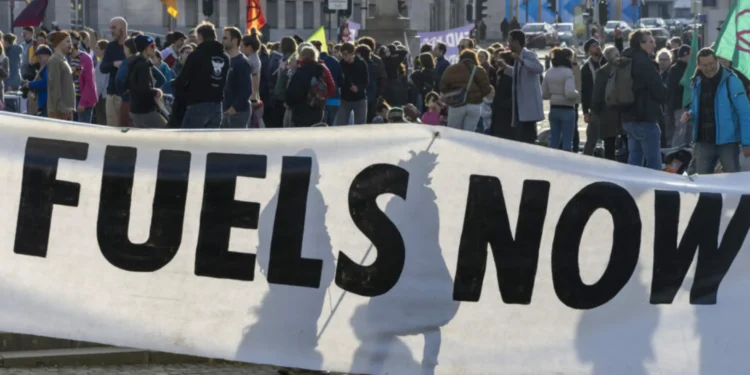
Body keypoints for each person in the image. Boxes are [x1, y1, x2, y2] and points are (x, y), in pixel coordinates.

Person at [682, 48, 750, 174]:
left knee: (732, 180)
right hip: (703, 141)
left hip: (728, 143)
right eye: (705, 65)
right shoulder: (697, 82)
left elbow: (745, 113)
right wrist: (690, 114)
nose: (709, 68)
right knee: (700, 181)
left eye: (712, 63)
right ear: (698, 65)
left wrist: (747, 142)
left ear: (717, 60)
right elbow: (697, 108)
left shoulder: (732, 81)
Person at [621, 29, 666, 170]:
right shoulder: (644, 62)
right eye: (651, 42)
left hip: (627, 117)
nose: (654, 45)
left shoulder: (625, 59)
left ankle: (632, 189)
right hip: (645, 117)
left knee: (634, 161)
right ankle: (657, 190)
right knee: (654, 164)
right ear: (641, 44)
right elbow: (659, 91)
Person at [173, 22, 230, 129]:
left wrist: (173, 84)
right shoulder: (225, 57)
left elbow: (183, 79)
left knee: (188, 140)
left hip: (198, 104)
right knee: (210, 142)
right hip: (217, 105)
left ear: (200, 36)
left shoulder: (196, 55)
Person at [505, 29, 545, 143]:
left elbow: (539, 68)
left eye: (510, 41)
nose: (508, 44)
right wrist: (505, 68)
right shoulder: (518, 56)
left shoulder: (528, 54)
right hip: (521, 103)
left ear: (516, 42)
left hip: (529, 103)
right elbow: (519, 74)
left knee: (528, 135)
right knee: (522, 134)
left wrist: (522, 61)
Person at [440, 49, 492, 131]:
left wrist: (452, 93)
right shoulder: (480, 70)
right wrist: (478, 95)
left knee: (453, 133)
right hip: (474, 105)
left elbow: (443, 87)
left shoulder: (451, 69)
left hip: (456, 104)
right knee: (469, 135)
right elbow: (486, 90)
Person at [285, 46, 335, 127]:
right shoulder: (321, 69)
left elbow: (292, 93)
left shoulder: (300, 72)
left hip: (301, 111)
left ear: (301, 57)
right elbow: (331, 87)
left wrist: (289, 103)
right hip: (318, 109)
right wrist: (321, 98)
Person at [542, 47, 580, 151]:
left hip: (553, 108)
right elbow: (570, 93)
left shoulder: (549, 72)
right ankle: (566, 164)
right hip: (567, 108)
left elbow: (544, 94)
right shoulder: (568, 72)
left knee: (554, 140)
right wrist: (577, 94)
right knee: (567, 142)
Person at [590, 46, 623, 160]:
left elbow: (597, 95)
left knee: (609, 146)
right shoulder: (626, 69)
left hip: (607, 111)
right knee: (629, 144)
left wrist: (596, 111)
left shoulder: (601, 72)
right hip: (625, 110)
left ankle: (611, 171)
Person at [127, 35, 166, 128]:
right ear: (145, 49)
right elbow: (143, 89)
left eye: (155, 45)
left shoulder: (137, 62)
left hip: (136, 109)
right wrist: (156, 92)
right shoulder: (142, 65)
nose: (154, 48)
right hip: (144, 111)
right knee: (167, 131)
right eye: (152, 46)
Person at [100, 17, 128, 126]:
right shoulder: (111, 46)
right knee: (111, 129)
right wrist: (113, 64)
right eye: (110, 27)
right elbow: (103, 68)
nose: (111, 30)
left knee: (126, 129)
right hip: (112, 95)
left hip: (128, 96)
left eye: (114, 27)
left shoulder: (133, 45)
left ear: (123, 27)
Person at [222, 27, 252, 128]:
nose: (222, 41)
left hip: (238, 113)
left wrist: (234, 108)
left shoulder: (242, 62)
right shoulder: (225, 60)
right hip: (225, 111)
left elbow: (247, 89)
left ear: (234, 41)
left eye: (225, 38)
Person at [335, 42, 369, 125]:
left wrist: (358, 88)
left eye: (346, 54)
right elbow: (338, 80)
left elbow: (366, 81)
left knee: (360, 125)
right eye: (342, 54)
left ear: (352, 53)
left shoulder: (361, 63)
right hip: (345, 98)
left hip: (359, 98)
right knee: (340, 124)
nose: (344, 56)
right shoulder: (341, 64)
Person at [46, 31, 76, 121]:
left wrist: (74, 74)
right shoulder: (54, 60)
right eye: (68, 41)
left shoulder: (63, 59)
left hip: (66, 110)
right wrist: (62, 108)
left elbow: (64, 81)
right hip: (59, 111)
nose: (71, 45)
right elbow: (54, 86)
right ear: (59, 43)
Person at [68, 31, 97, 123]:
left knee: (83, 126)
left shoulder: (84, 58)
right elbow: (74, 77)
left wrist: (83, 103)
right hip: (73, 98)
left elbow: (89, 82)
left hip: (83, 98)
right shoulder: (68, 58)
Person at [666, 45, 691, 147]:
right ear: (685, 55)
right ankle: (675, 155)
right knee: (680, 132)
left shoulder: (687, 68)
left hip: (688, 105)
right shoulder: (675, 69)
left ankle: (687, 156)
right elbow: (676, 86)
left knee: (689, 132)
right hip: (680, 106)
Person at [311, 40, 341, 125]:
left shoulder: (314, 62)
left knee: (319, 126)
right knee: (332, 126)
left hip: (319, 99)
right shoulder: (335, 61)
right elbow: (341, 81)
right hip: (334, 98)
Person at [491, 50, 515, 139]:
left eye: (500, 59)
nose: (497, 61)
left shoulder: (508, 76)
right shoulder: (501, 74)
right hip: (502, 110)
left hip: (505, 111)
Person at [24, 45, 52, 117]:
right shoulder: (44, 66)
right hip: (43, 101)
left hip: (46, 101)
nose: (39, 60)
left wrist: (30, 84)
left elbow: (45, 83)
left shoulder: (48, 67)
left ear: (47, 56)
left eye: (40, 57)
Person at [93, 39, 110, 124]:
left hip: (102, 97)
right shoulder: (109, 61)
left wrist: (95, 97)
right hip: (107, 95)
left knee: (101, 120)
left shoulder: (102, 63)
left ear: (103, 50)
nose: (95, 50)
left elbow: (100, 82)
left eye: (97, 48)